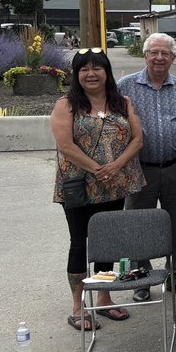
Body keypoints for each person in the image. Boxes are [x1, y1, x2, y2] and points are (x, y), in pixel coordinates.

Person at [51, 47, 145, 331]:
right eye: (84, 69)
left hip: (115, 184)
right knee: (80, 243)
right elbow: (65, 146)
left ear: (107, 72)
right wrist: (98, 168)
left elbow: (138, 139)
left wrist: (116, 167)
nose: (91, 74)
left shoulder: (122, 102)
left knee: (107, 242)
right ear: (76, 75)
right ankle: (78, 305)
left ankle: (103, 297)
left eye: (97, 68)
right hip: (78, 185)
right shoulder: (66, 105)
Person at [117, 33, 176, 301]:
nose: (159, 57)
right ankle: (141, 278)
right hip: (138, 168)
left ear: (172, 58)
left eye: (165, 53)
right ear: (145, 56)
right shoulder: (125, 87)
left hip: (175, 167)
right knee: (139, 224)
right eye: (154, 52)